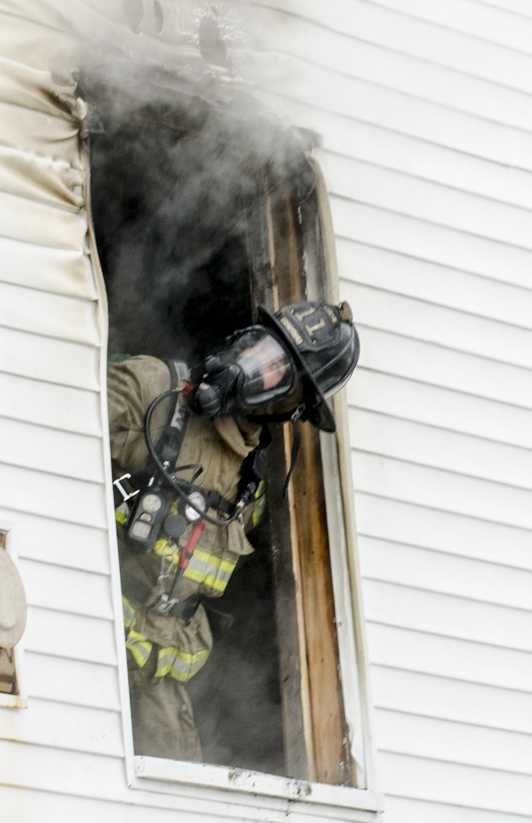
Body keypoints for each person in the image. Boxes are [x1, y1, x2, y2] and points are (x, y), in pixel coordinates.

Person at [107, 301, 359, 761]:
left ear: (292, 408)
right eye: (261, 351)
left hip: (156, 673)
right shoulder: (151, 392)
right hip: (91, 632)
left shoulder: (252, 485)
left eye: (281, 375)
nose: (257, 372)